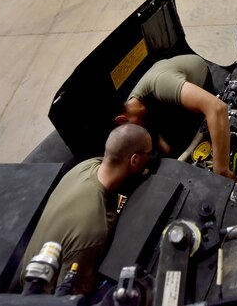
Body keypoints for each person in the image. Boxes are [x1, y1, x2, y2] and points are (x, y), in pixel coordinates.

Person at [21, 123, 152, 295]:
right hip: (42, 294)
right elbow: (71, 296)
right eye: (149, 155)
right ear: (134, 159)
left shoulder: (86, 166)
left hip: (33, 267)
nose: (151, 158)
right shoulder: (94, 228)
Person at [115, 54, 235, 179]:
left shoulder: (159, 84)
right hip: (168, 84)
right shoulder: (136, 113)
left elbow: (217, 108)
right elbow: (166, 149)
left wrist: (222, 170)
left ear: (122, 120)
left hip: (200, 77)